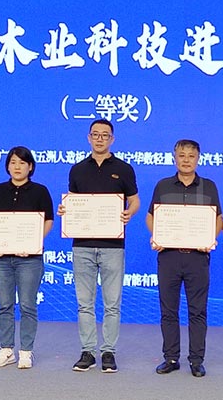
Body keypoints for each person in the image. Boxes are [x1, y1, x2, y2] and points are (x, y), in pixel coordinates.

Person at [57, 119, 140, 373]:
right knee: (85, 302)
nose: (100, 139)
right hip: (82, 245)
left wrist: (129, 212)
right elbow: (73, 202)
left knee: (112, 303)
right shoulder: (77, 169)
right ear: (89, 137)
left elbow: (135, 201)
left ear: (112, 139)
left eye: (105, 135)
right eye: (95, 134)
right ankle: (88, 351)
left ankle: (108, 352)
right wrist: (66, 211)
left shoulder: (124, 169)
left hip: (113, 245)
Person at [146, 139, 220, 378]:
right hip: (169, 257)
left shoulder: (209, 186)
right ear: (174, 158)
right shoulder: (163, 185)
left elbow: (217, 218)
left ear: (198, 159)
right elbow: (151, 216)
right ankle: (171, 357)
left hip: (198, 257)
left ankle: (196, 360)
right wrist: (157, 236)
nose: (186, 160)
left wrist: (210, 238)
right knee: (169, 310)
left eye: (191, 156)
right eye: (181, 155)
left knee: (197, 311)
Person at [0, 146, 54, 369]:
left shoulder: (40, 191)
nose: (17, 167)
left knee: (27, 305)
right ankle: (6, 350)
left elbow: (49, 221)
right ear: (7, 166)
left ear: (30, 167)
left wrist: (33, 242)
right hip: (1, 259)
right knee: (4, 304)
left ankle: (26, 351)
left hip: (29, 259)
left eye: (22, 163)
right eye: (13, 162)